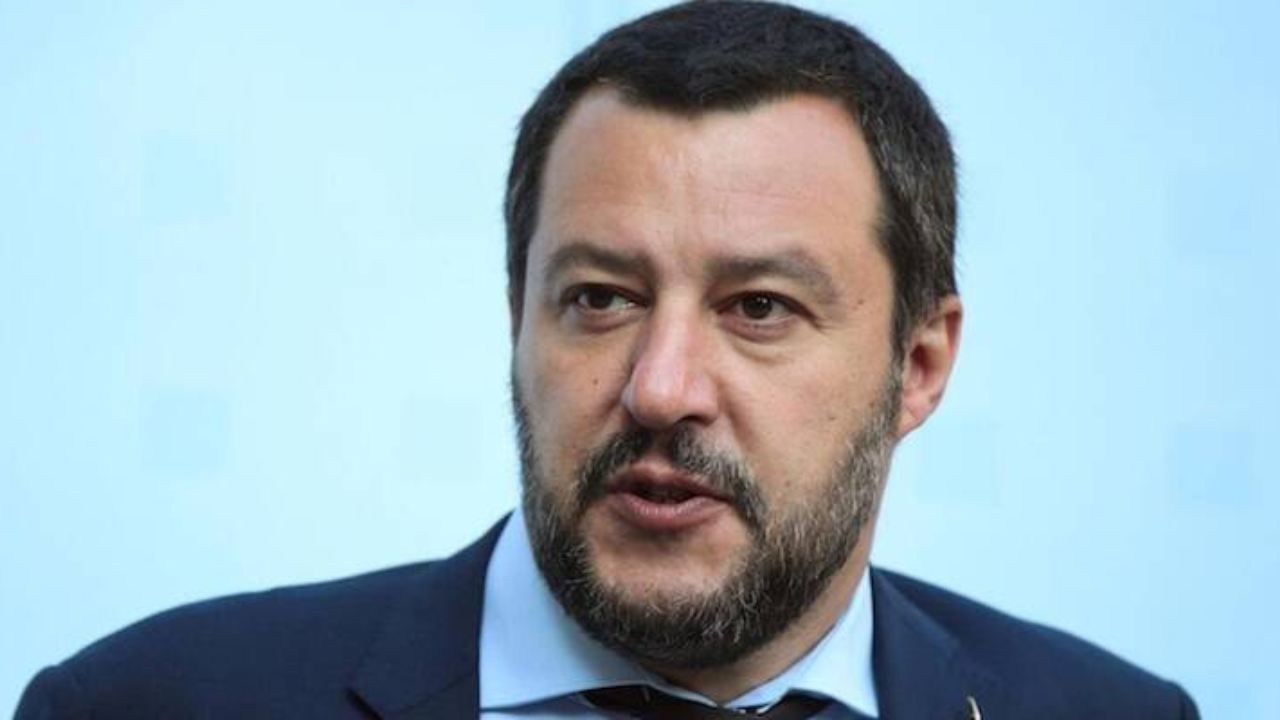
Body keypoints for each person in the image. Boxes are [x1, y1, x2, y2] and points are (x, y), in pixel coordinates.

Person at [16, 2, 1199, 718]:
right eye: (598, 299)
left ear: (920, 364)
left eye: (758, 307)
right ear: (516, 320)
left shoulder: (1112, 714)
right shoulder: (148, 706)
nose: (659, 387)